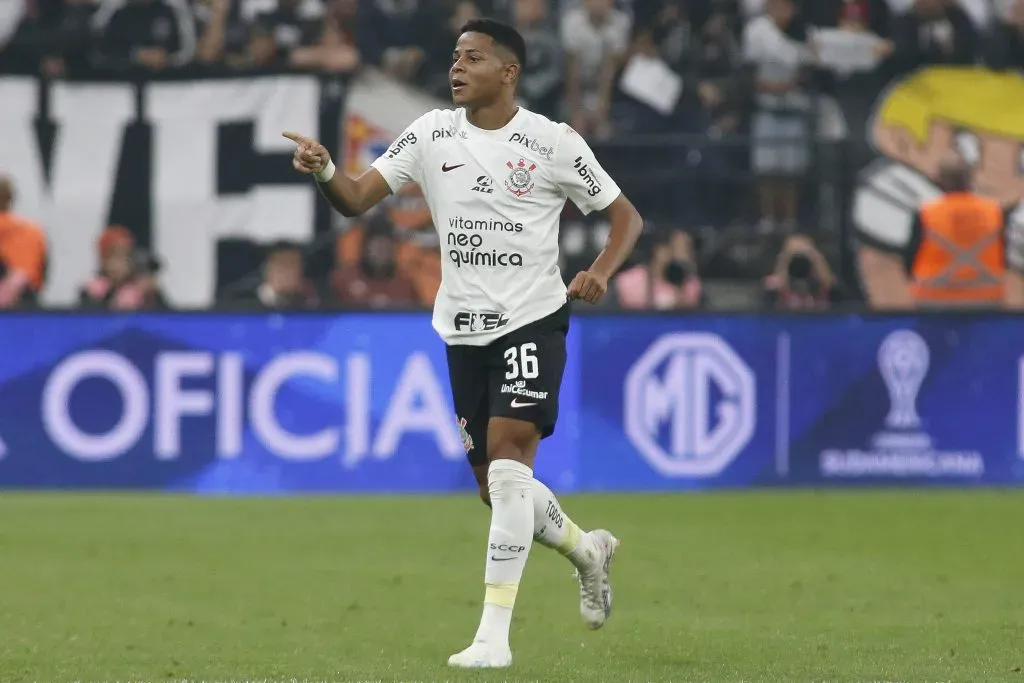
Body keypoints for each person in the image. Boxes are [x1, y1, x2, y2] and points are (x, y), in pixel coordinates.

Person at [283, 17, 643, 669]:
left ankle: (493, 638)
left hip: (533, 317)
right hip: (462, 328)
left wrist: (600, 272)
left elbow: (626, 217)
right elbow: (357, 199)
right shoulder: (429, 134)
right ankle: (588, 550)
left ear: (508, 72)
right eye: (454, 56)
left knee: (509, 464)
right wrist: (326, 168)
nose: (456, 67)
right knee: (495, 488)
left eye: (472, 58)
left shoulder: (552, 142)